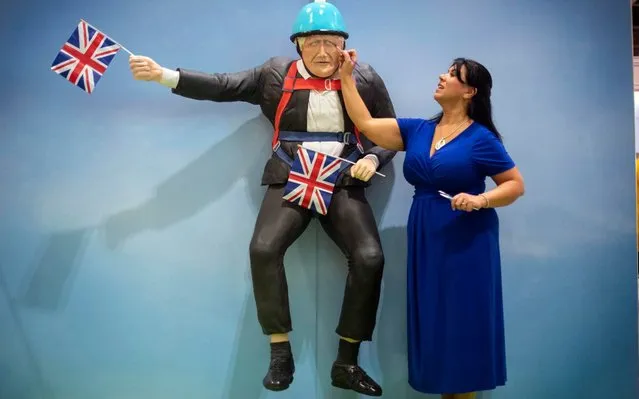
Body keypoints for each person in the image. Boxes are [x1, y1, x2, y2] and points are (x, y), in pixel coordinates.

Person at [128, 1, 396, 396]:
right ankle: (279, 351)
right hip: (292, 176)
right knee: (263, 249)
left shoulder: (365, 77)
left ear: (344, 46)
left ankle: (347, 361)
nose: (322, 52)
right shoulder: (274, 74)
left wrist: (373, 156)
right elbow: (223, 85)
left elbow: (389, 130)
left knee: (371, 256)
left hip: (341, 180)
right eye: (313, 43)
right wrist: (164, 75)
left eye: (330, 42)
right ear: (298, 46)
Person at [338, 50, 525, 399]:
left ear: (470, 91)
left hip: (467, 239)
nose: (442, 75)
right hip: (427, 233)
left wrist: (481, 199)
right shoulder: (419, 130)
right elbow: (364, 123)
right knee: (438, 325)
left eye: (453, 73)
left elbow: (515, 185)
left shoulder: (481, 138)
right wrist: (346, 76)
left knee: (462, 326)